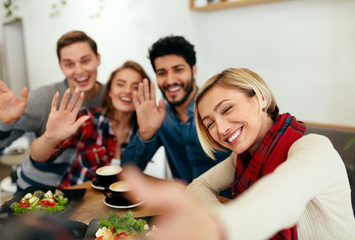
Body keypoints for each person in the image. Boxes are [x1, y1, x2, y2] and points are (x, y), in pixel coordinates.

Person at [121, 68, 355, 240]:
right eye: (209, 123)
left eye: (228, 108)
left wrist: (216, 226)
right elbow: (197, 186)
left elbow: (284, 194)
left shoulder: (315, 147)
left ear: (260, 98)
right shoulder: (241, 157)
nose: (221, 129)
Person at [0, 30, 104, 190]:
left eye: (85, 60)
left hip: (88, 194)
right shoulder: (43, 99)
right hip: (38, 193)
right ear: (61, 67)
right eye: (69, 64)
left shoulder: (111, 98)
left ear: (98, 59)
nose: (79, 70)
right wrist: (5, 123)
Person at [121, 35, 230, 184]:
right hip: (184, 204)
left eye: (178, 70)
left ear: (194, 70)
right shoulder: (160, 118)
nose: (170, 80)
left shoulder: (220, 109)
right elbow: (128, 171)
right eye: (162, 73)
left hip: (229, 204)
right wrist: (145, 133)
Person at [30, 61, 150, 188]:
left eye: (136, 87)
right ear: (109, 91)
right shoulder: (88, 118)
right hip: (74, 202)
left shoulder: (143, 133)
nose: (127, 91)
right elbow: (38, 157)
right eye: (120, 84)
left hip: (115, 205)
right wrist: (49, 138)